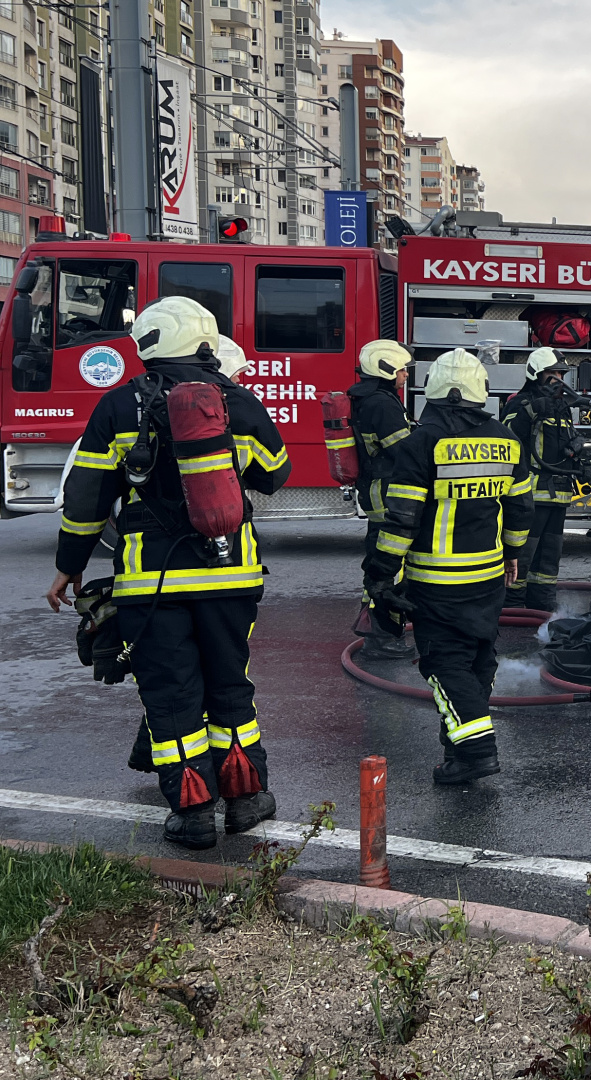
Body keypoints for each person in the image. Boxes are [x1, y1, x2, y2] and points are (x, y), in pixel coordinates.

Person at [46, 296, 291, 849]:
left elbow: (85, 499)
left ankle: (193, 813)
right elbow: (276, 474)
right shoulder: (237, 400)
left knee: (173, 696)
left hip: (151, 586)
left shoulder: (117, 406)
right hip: (232, 576)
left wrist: (69, 567)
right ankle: (247, 799)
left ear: (149, 343)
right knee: (231, 686)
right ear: (204, 341)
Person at [363, 348, 533, 784]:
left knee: (444, 664)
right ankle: (457, 756)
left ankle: (476, 752)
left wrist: (381, 573)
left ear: (433, 391)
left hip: (436, 579)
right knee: (478, 660)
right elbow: (520, 510)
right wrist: (513, 554)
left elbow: (402, 519)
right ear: (481, 392)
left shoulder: (421, 443)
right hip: (490, 576)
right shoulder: (506, 440)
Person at [501, 347, 590, 613]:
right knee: (523, 557)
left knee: (549, 560)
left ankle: (542, 607)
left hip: (558, 496)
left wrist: (577, 446)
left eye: (561, 373)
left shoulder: (561, 407)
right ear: (536, 374)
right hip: (531, 497)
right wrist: (532, 412)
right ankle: (513, 608)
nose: (558, 379)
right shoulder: (520, 403)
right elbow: (508, 442)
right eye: (552, 374)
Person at [347, 340, 416, 659]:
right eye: (401, 369)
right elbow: (404, 452)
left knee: (378, 562)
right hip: (388, 494)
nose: (404, 375)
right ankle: (386, 637)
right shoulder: (383, 404)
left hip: (376, 491)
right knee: (393, 566)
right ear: (385, 368)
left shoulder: (369, 399)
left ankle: (376, 630)